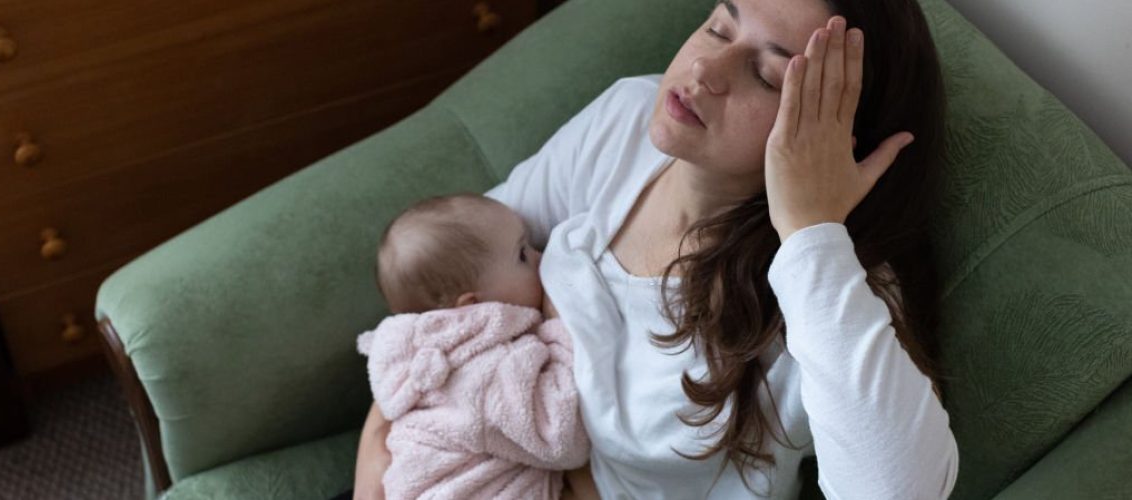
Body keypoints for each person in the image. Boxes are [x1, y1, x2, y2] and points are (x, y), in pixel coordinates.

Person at [351, 0, 959, 498]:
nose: (705, 70)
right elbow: (448, 276)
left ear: (830, 140)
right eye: (719, 25)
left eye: (766, 75)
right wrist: (380, 446)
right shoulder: (625, 120)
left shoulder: (834, 296)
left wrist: (809, 229)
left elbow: (899, 491)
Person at [356, 194, 588, 499]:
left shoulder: (409, 356)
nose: (540, 255)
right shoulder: (481, 375)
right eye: (522, 254)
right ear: (473, 304)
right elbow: (564, 439)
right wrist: (561, 326)